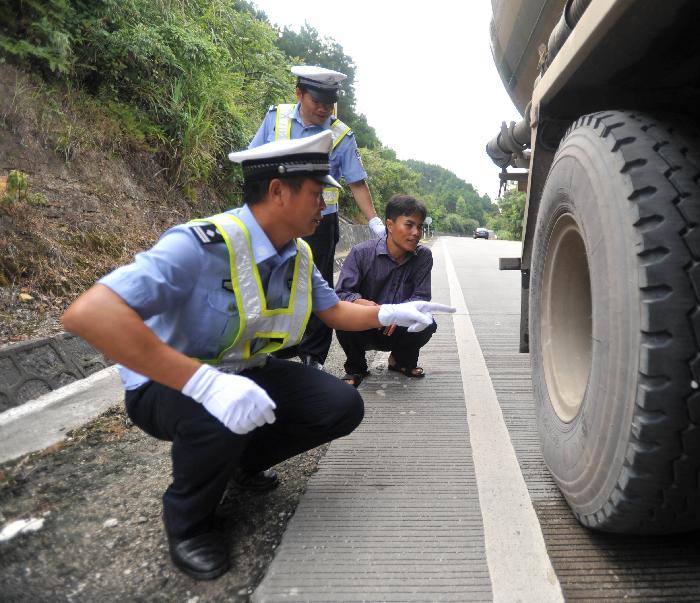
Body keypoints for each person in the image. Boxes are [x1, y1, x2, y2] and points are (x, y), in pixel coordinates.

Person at [61, 132, 453, 581]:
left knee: (340, 405)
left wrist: (389, 312)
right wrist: (204, 383)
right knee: (218, 412)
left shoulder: (299, 253)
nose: (325, 205)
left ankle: (241, 462)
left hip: (246, 369)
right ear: (277, 191)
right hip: (167, 382)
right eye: (317, 193)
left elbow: (335, 311)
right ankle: (189, 523)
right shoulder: (200, 244)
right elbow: (89, 313)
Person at [249, 65, 384, 370]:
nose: (324, 109)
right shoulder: (276, 118)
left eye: (329, 103)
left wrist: (374, 221)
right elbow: (252, 160)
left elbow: (357, 182)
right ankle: (271, 349)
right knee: (270, 280)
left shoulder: (341, 134)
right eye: (317, 102)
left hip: (319, 223)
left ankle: (313, 356)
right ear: (299, 94)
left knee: (316, 285)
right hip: (274, 219)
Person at [335, 195, 437, 387]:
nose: (416, 232)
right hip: (365, 324)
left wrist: (396, 314)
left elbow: (421, 298)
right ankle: (356, 367)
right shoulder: (361, 253)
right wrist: (374, 309)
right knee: (341, 315)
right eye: (409, 225)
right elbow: (342, 294)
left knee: (427, 321)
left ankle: (400, 361)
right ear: (390, 225)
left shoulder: (423, 256)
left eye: (420, 226)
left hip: (398, 327)